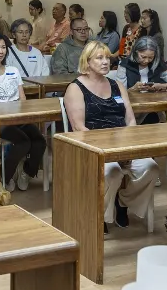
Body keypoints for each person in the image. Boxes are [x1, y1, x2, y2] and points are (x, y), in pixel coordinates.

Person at [64, 41, 160, 231]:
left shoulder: (116, 85)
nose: (106, 62)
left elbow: (131, 120)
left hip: (123, 146)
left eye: (107, 57)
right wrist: (110, 153)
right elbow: (79, 127)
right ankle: (101, 214)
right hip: (93, 148)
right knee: (112, 172)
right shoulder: (75, 88)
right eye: (99, 58)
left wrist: (127, 149)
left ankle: (123, 203)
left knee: (151, 167)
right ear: (87, 61)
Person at [0, 32, 45, 195]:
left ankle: (27, 172)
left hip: (18, 116)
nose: (1, 51)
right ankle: (4, 176)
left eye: (3, 47)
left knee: (39, 141)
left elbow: (22, 98)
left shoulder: (13, 70)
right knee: (23, 142)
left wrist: (22, 113)